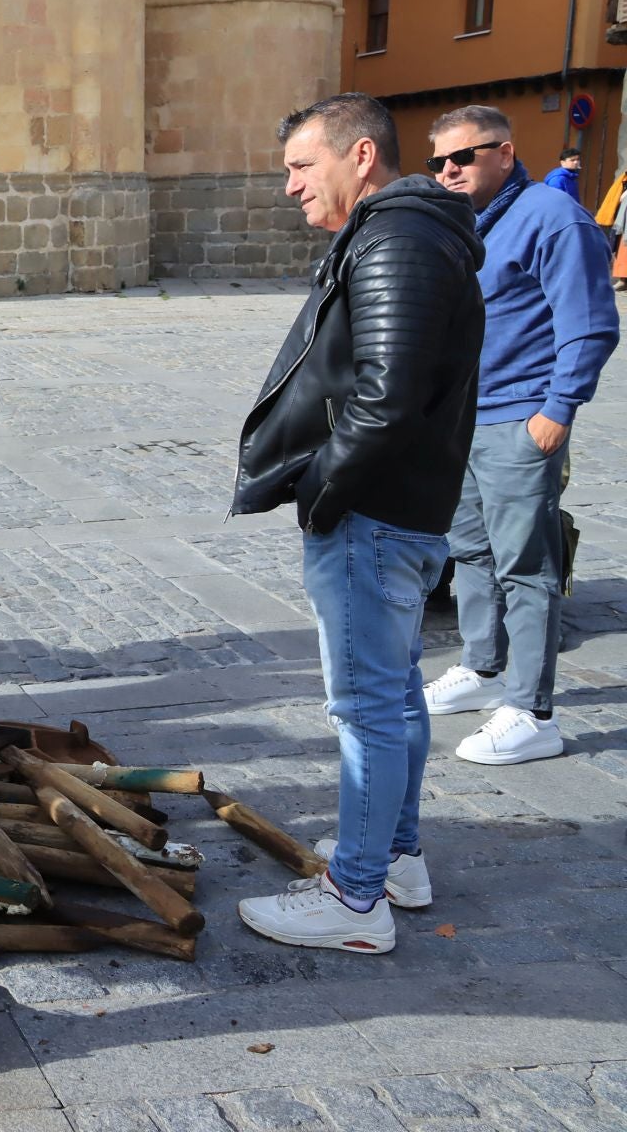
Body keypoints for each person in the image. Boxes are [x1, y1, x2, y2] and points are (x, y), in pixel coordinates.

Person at [232, 93, 484, 954]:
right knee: (396, 690)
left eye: (304, 167)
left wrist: (324, 493)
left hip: (373, 515)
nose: (293, 187)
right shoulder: (409, 233)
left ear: (362, 155)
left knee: (367, 707)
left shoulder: (399, 238)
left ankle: (355, 900)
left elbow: (386, 393)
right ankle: (398, 858)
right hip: (400, 510)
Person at [420, 106, 618, 764]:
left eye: (462, 157)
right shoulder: (461, 224)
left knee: (527, 570)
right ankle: (482, 669)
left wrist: (557, 411)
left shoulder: (551, 217)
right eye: (438, 162)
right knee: (470, 553)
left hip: (519, 419)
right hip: (463, 421)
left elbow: (591, 322)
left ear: (504, 153)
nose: (448, 170)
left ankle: (533, 712)